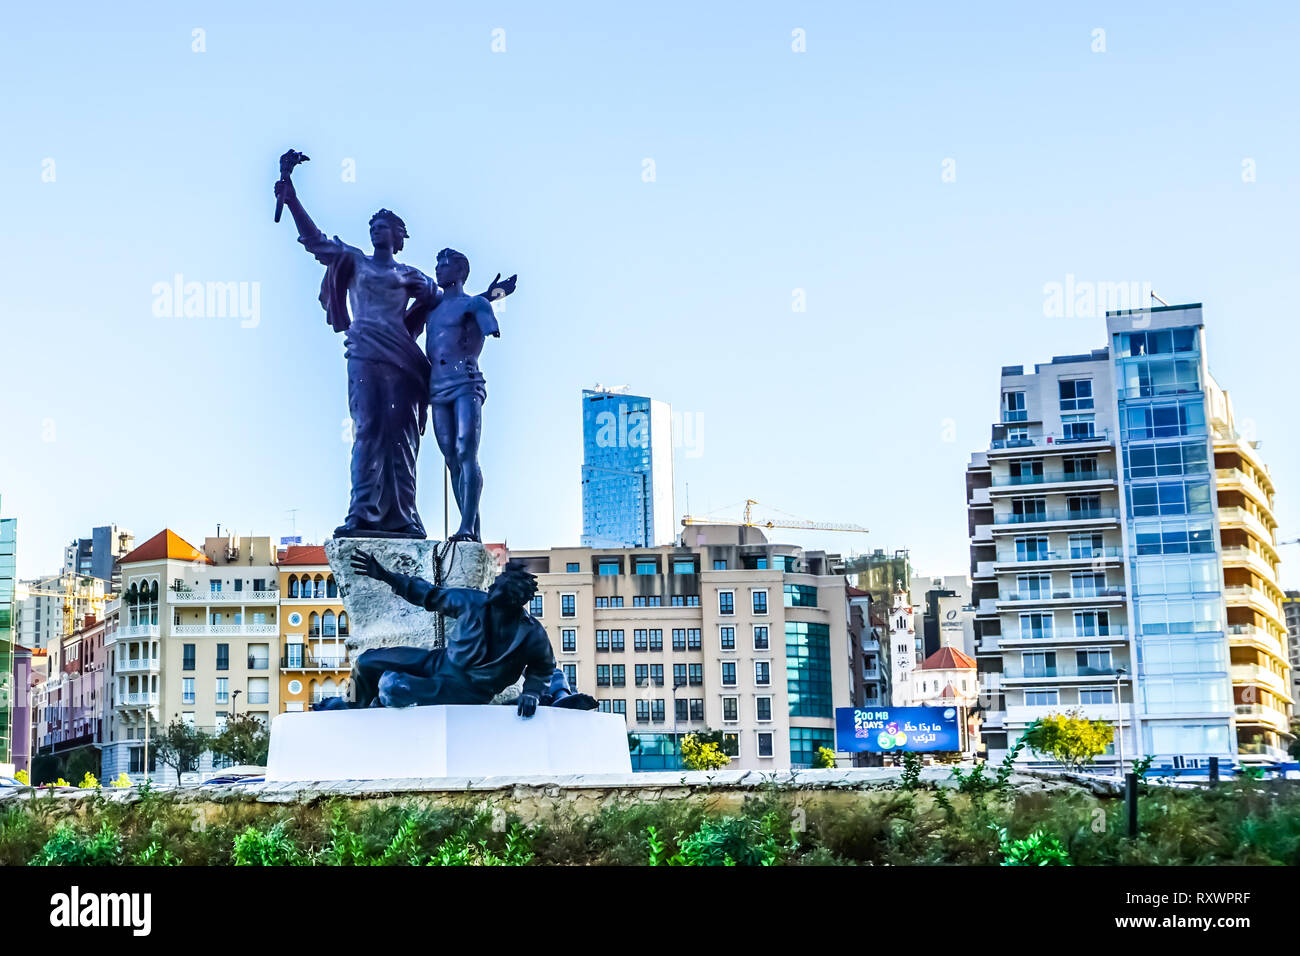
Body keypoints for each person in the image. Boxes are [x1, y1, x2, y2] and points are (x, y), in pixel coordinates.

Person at [274, 174, 512, 538]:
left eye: (384, 226)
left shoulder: (411, 276)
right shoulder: (354, 261)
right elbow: (315, 241)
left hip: (402, 360)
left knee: (402, 438)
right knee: (367, 429)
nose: (376, 230)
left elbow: (452, 307)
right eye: (373, 225)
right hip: (365, 352)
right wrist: (291, 199)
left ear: (398, 236)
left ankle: (403, 516)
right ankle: (362, 512)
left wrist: (487, 299)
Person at [319, 550, 596, 716]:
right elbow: (429, 594)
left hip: (468, 690)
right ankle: (351, 707)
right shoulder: (473, 602)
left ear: (512, 602)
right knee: (367, 662)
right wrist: (386, 575)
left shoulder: (530, 633)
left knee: (392, 686)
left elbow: (543, 668)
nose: (489, 593)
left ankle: (381, 706)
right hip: (440, 662)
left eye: (496, 591)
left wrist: (533, 693)